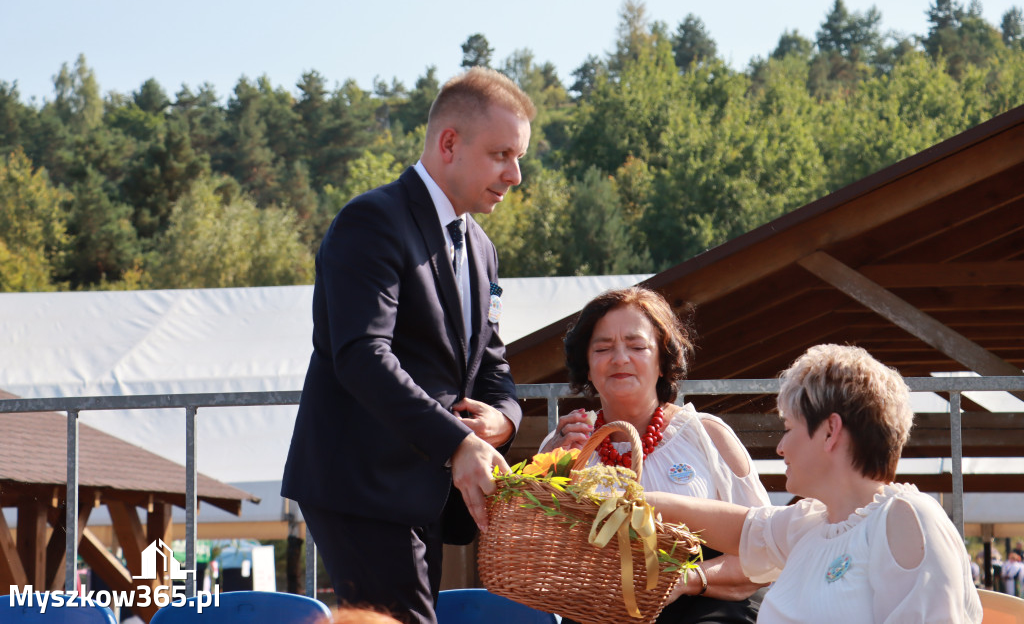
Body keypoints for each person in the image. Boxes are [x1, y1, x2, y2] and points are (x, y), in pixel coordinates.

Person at [282, 67, 534, 624]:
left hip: (420, 490)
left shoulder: (482, 249)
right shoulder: (371, 221)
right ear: (449, 143)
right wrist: (455, 444)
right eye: (502, 154)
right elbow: (362, 356)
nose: (515, 174)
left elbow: (492, 366)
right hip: (362, 484)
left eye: (518, 158)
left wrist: (505, 422)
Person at [647, 344, 983, 623]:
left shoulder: (906, 517)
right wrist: (636, 499)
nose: (781, 447)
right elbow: (741, 528)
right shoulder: (811, 523)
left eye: (789, 428)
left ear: (830, 431)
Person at [540, 287, 771, 623]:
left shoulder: (706, 434)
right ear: (587, 367)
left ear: (663, 361)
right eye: (603, 348)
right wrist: (550, 471)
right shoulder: (565, 444)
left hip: (707, 607)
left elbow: (767, 549)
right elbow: (539, 558)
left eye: (637, 347)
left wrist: (687, 580)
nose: (620, 358)